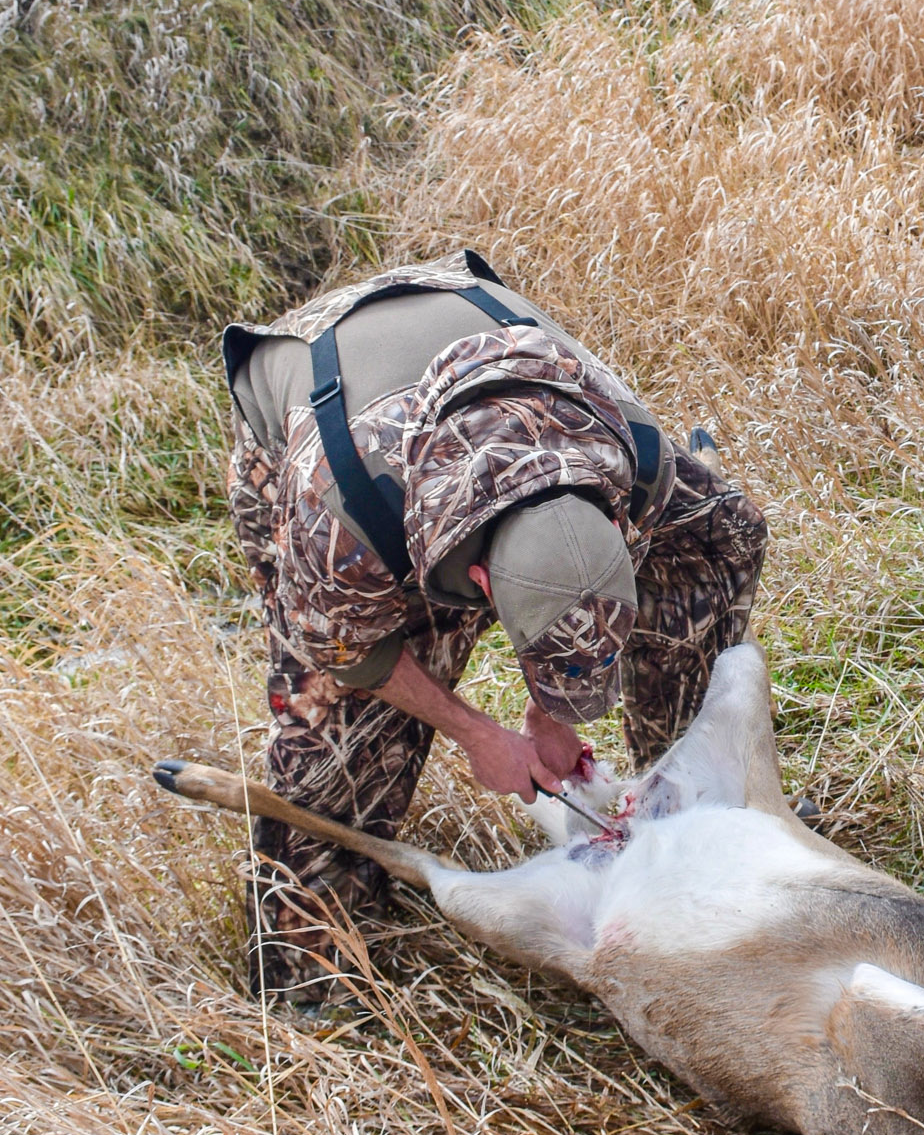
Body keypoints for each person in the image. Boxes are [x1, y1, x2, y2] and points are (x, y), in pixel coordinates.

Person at [224, 248, 766, 1003]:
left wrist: (556, 714)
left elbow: (594, 592)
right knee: (336, 740)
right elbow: (343, 648)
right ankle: (309, 979)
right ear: (478, 583)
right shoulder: (338, 514)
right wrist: (478, 733)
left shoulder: (632, 462)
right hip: (314, 392)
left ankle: (682, 802)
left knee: (721, 530)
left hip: (460, 313)